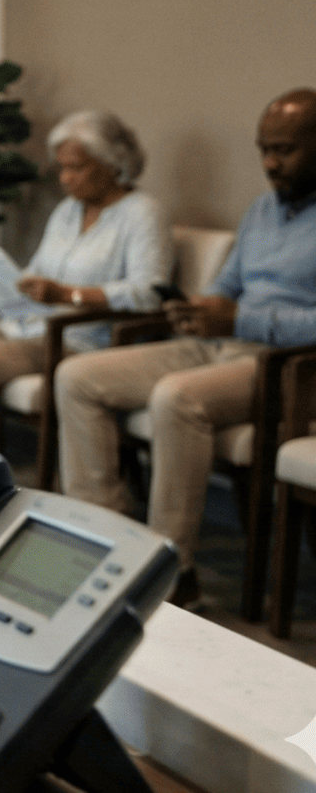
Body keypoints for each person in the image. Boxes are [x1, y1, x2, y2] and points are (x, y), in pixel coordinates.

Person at [55, 89, 316, 606]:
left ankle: (173, 570)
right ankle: (106, 548)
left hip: (286, 367)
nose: (269, 163)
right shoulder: (263, 210)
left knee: (177, 397)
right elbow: (230, 284)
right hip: (221, 342)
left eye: (285, 150)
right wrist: (201, 307)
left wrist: (244, 319)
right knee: (77, 377)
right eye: (264, 148)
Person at [0, 110, 171, 466]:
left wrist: (68, 295)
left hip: (80, 340)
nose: (66, 179)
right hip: (31, 325)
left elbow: (150, 292)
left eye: (77, 167)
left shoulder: (143, 213)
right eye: (62, 168)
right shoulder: (68, 212)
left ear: (113, 162)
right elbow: (36, 273)